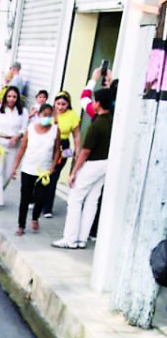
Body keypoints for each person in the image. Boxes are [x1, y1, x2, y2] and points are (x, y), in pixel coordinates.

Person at [52, 87, 113, 249]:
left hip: (92, 164)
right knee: (92, 200)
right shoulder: (112, 120)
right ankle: (81, 239)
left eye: (94, 101)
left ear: (98, 103)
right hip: (106, 164)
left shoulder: (96, 125)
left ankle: (70, 239)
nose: (92, 103)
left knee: (75, 199)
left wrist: (74, 172)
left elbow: (85, 152)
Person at [9, 103, 60, 236]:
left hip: (44, 171)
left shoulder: (55, 130)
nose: (47, 118)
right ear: (38, 115)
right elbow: (22, 148)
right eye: (44, 115)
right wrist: (15, 167)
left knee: (40, 197)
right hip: (28, 168)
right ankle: (21, 225)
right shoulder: (30, 129)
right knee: (25, 198)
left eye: (50, 115)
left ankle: (35, 217)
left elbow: (57, 151)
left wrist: (52, 167)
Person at [0, 86, 28, 211]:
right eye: (9, 96)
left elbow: (24, 128)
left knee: (9, 173)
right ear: (5, 97)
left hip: (13, 144)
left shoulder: (23, 112)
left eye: (14, 97)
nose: (11, 99)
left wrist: (17, 136)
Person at [42, 90, 81, 218]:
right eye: (58, 104)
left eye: (63, 104)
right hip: (48, 144)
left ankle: (47, 208)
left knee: (54, 176)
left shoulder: (72, 115)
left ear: (68, 104)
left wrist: (77, 151)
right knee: (42, 173)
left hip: (64, 146)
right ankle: (37, 200)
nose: (60, 107)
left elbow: (76, 135)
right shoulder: (49, 113)